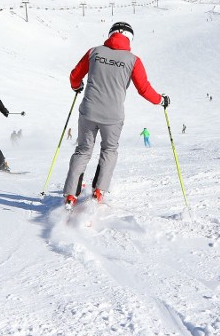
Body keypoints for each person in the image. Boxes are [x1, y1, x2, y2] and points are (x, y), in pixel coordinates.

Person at [62, 21, 168, 207]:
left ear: (111, 34)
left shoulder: (94, 52)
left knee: (83, 150)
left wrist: (76, 86)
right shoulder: (133, 60)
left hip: (88, 111)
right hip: (113, 115)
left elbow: (75, 76)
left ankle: (71, 195)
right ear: (130, 38)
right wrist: (161, 100)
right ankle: (98, 191)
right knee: (109, 150)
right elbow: (143, 89)